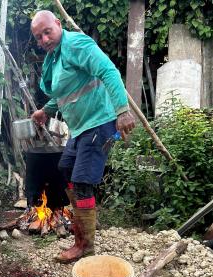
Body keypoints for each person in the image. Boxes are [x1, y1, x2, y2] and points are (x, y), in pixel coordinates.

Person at [30, 10, 135, 263]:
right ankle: (81, 232)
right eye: (38, 37)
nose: (44, 39)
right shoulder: (54, 59)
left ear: (58, 24)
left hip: (100, 122)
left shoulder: (77, 44)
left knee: (82, 182)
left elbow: (108, 71)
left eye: (47, 32)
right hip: (80, 128)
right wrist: (47, 110)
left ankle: (85, 247)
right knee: (65, 168)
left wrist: (122, 111)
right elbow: (64, 93)